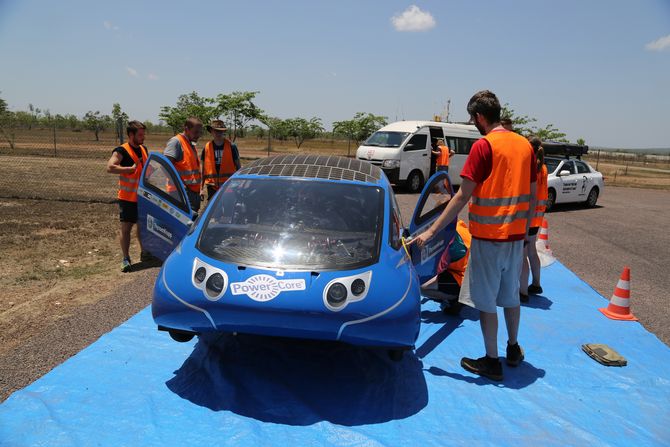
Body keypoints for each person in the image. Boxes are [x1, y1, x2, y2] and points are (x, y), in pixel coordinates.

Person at [412, 90, 537, 381]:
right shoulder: (524, 146)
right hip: (516, 238)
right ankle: (514, 349)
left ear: (480, 117)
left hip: (489, 238)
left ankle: (491, 361)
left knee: (485, 302)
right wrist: (529, 232)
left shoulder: (484, 147)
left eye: (472, 118)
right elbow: (531, 194)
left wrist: (431, 230)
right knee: (511, 297)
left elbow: (461, 197)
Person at [106, 120, 150, 272]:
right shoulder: (121, 150)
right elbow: (110, 167)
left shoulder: (144, 149)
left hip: (143, 197)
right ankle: (126, 258)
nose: (143, 137)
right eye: (140, 135)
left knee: (142, 226)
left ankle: (145, 253)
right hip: (127, 198)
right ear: (131, 135)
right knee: (126, 228)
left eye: (143, 134)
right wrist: (128, 169)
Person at [520, 137, 547, 301]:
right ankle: (536, 284)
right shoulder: (543, 167)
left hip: (528, 217)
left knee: (523, 254)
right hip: (538, 217)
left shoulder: (531, 168)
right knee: (532, 251)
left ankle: (522, 292)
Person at [164, 117, 204, 212]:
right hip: (181, 193)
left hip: (192, 193)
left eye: (199, 132)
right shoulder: (176, 142)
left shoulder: (190, 143)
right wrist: (180, 187)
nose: (198, 135)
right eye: (195, 132)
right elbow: (165, 166)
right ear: (186, 129)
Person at [201, 120, 241, 201]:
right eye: (216, 131)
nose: (218, 133)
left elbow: (238, 167)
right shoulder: (207, 147)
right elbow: (202, 169)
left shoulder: (231, 146)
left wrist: (239, 184)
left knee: (228, 208)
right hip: (212, 186)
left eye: (220, 131)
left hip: (229, 185)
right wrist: (201, 189)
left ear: (223, 132)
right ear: (211, 131)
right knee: (214, 211)